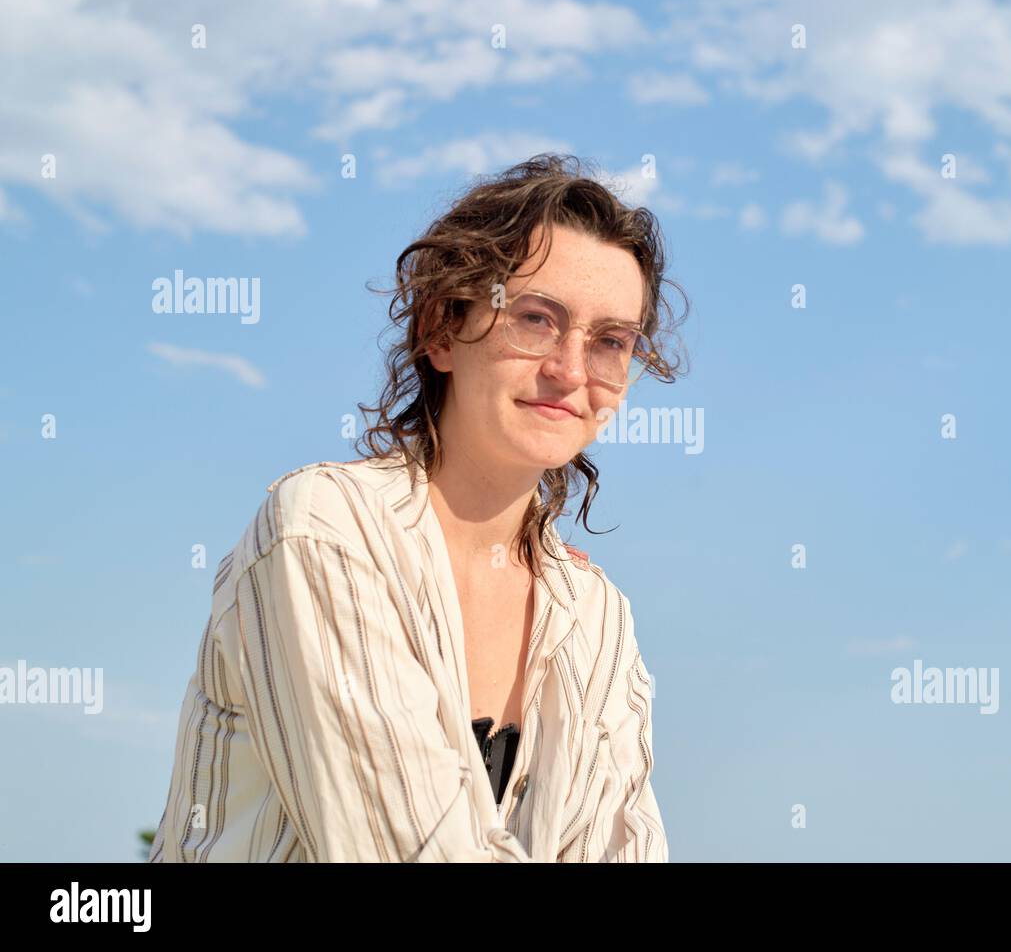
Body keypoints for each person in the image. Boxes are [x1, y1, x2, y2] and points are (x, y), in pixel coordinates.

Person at [146, 153, 687, 862]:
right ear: (441, 330)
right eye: (534, 318)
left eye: (610, 341)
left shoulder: (598, 620)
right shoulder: (326, 532)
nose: (570, 371)